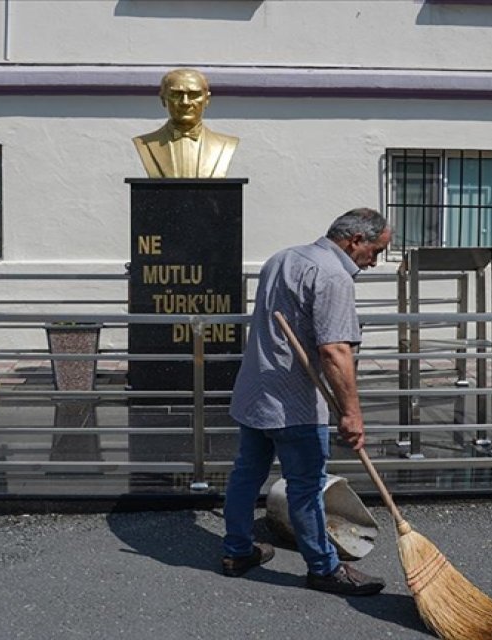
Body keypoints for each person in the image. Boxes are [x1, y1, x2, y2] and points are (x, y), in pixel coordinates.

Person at [221, 207, 391, 596]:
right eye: (376, 250)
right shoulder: (332, 276)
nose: (375, 261)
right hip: (295, 401)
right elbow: (334, 351)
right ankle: (324, 569)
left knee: (246, 475)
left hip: (256, 390)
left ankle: (236, 550)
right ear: (355, 241)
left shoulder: (283, 258)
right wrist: (351, 414)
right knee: (306, 486)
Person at [132, 68, 238, 179]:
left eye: (194, 95)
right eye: (176, 95)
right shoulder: (144, 144)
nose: (185, 102)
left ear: (207, 99)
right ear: (163, 99)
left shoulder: (225, 145)